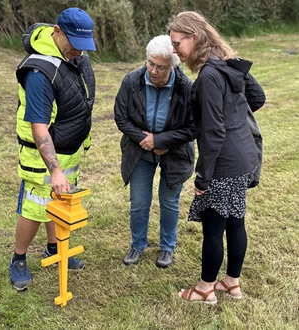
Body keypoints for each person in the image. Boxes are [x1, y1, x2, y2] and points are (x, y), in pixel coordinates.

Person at [168, 11, 265, 303]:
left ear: (193, 38)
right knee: (235, 220)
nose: (175, 50)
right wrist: (235, 117)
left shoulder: (210, 76)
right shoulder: (228, 62)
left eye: (177, 43)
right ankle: (232, 283)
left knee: (213, 226)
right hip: (245, 157)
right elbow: (256, 97)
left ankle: (205, 288)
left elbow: (212, 133)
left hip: (223, 163)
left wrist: (203, 178)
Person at [10, 7, 96, 291]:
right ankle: (18, 258)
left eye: (84, 47)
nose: (79, 52)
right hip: (42, 158)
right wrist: (55, 169)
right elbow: (39, 126)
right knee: (35, 208)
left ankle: (54, 248)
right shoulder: (39, 72)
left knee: (58, 203)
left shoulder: (75, 56)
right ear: (57, 32)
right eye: (74, 45)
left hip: (69, 151)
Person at [114, 35, 195, 268]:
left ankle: (167, 247)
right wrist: (146, 140)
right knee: (139, 202)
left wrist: (162, 140)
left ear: (173, 66)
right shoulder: (132, 81)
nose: (153, 70)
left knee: (169, 202)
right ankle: (137, 244)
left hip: (175, 153)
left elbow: (192, 127)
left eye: (161, 67)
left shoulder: (186, 87)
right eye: (150, 63)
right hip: (139, 150)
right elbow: (121, 118)